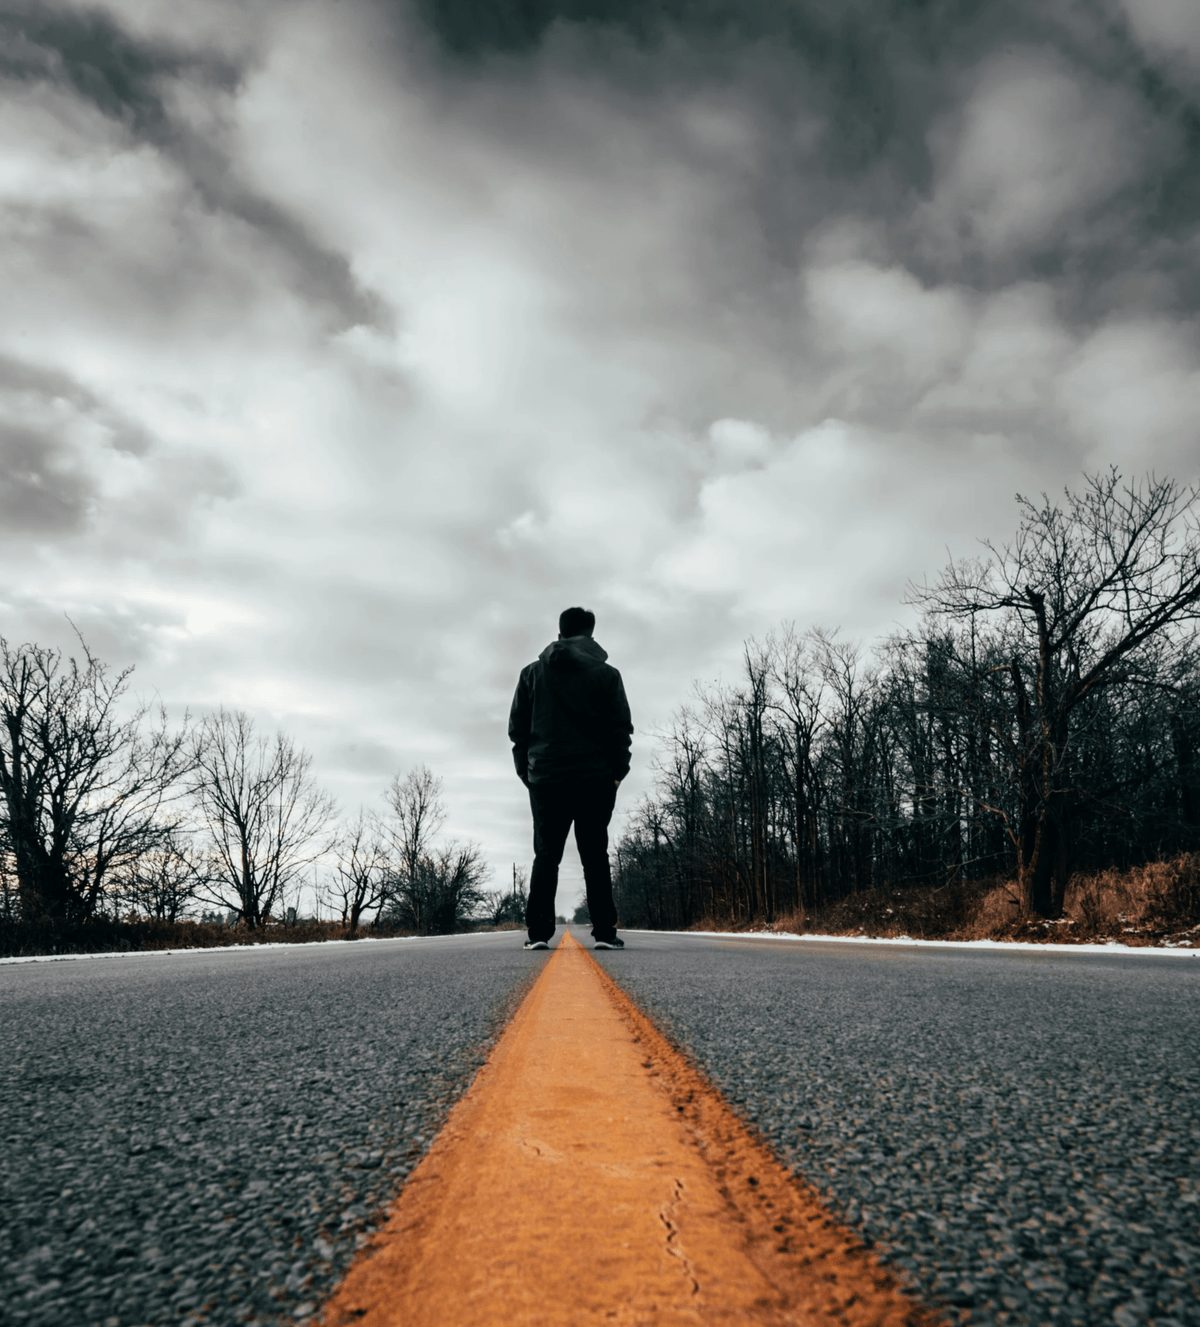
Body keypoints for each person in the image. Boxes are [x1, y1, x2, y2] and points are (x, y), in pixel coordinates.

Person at [508, 607, 633, 950]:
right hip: (595, 778)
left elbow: (517, 732)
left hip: (546, 778)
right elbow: (621, 729)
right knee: (595, 853)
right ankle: (605, 933)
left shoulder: (531, 674)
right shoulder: (608, 676)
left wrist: (528, 773)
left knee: (546, 854)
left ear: (559, 634)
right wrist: (617, 773)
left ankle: (537, 935)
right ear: (591, 636)